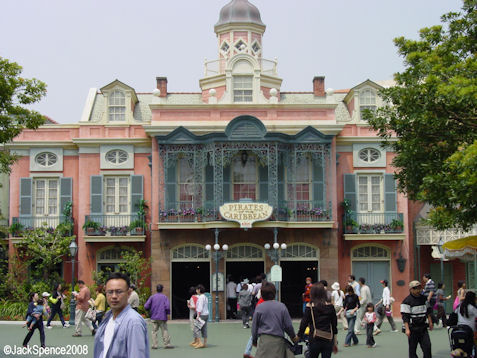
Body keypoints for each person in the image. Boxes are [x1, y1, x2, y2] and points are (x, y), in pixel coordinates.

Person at [93, 272, 149, 358]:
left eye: (119, 292)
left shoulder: (133, 322)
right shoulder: (108, 318)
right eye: (110, 292)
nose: (114, 296)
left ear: (128, 293)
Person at [252, 282, 299, 358]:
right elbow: (288, 326)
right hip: (278, 341)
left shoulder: (259, 307)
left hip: (264, 341)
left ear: (262, 294)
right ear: (274, 293)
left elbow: (254, 327)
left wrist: (254, 340)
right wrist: (293, 336)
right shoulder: (281, 306)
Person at [298, 283, 338, 358]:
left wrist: (298, 336)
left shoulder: (309, 307)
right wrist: (335, 342)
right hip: (328, 338)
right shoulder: (330, 307)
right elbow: (334, 325)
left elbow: (304, 323)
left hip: (314, 338)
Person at [401, 280, 433, 358]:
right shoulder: (406, 301)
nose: (418, 290)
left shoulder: (424, 299)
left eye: (419, 288)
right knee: (412, 350)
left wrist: (430, 322)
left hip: (423, 327)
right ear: (411, 289)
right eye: (415, 288)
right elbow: (405, 316)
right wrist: (407, 329)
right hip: (412, 329)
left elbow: (428, 311)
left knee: (427, 347)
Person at [144, 283, 173, 349]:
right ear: (162, 289)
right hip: (162, 317)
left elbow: (146, 306)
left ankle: (154, 345)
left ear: (156, 289)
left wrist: (149, 310)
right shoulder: (164, 297)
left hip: (154, 317)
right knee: (164, 330)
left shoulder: (152, 297)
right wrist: (167, 313)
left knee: (154, 331)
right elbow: (167, 307)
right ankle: (167, 344)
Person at [456, 291, 477, 356]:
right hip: (470, 331)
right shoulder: (472, 308)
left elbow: (455, 313)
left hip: (459, 329)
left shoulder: (460, 306)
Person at [191, 284, 209, 349]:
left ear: (199, 290)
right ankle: (204, 343)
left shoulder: (201, 297)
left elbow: (200, 307)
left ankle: (199, 343)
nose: (196, 290)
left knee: (196, 328)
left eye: (197, 289)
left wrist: (198, 315)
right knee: (204, 329)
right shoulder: (205, 297)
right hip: (206, 314)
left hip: (201, 315)